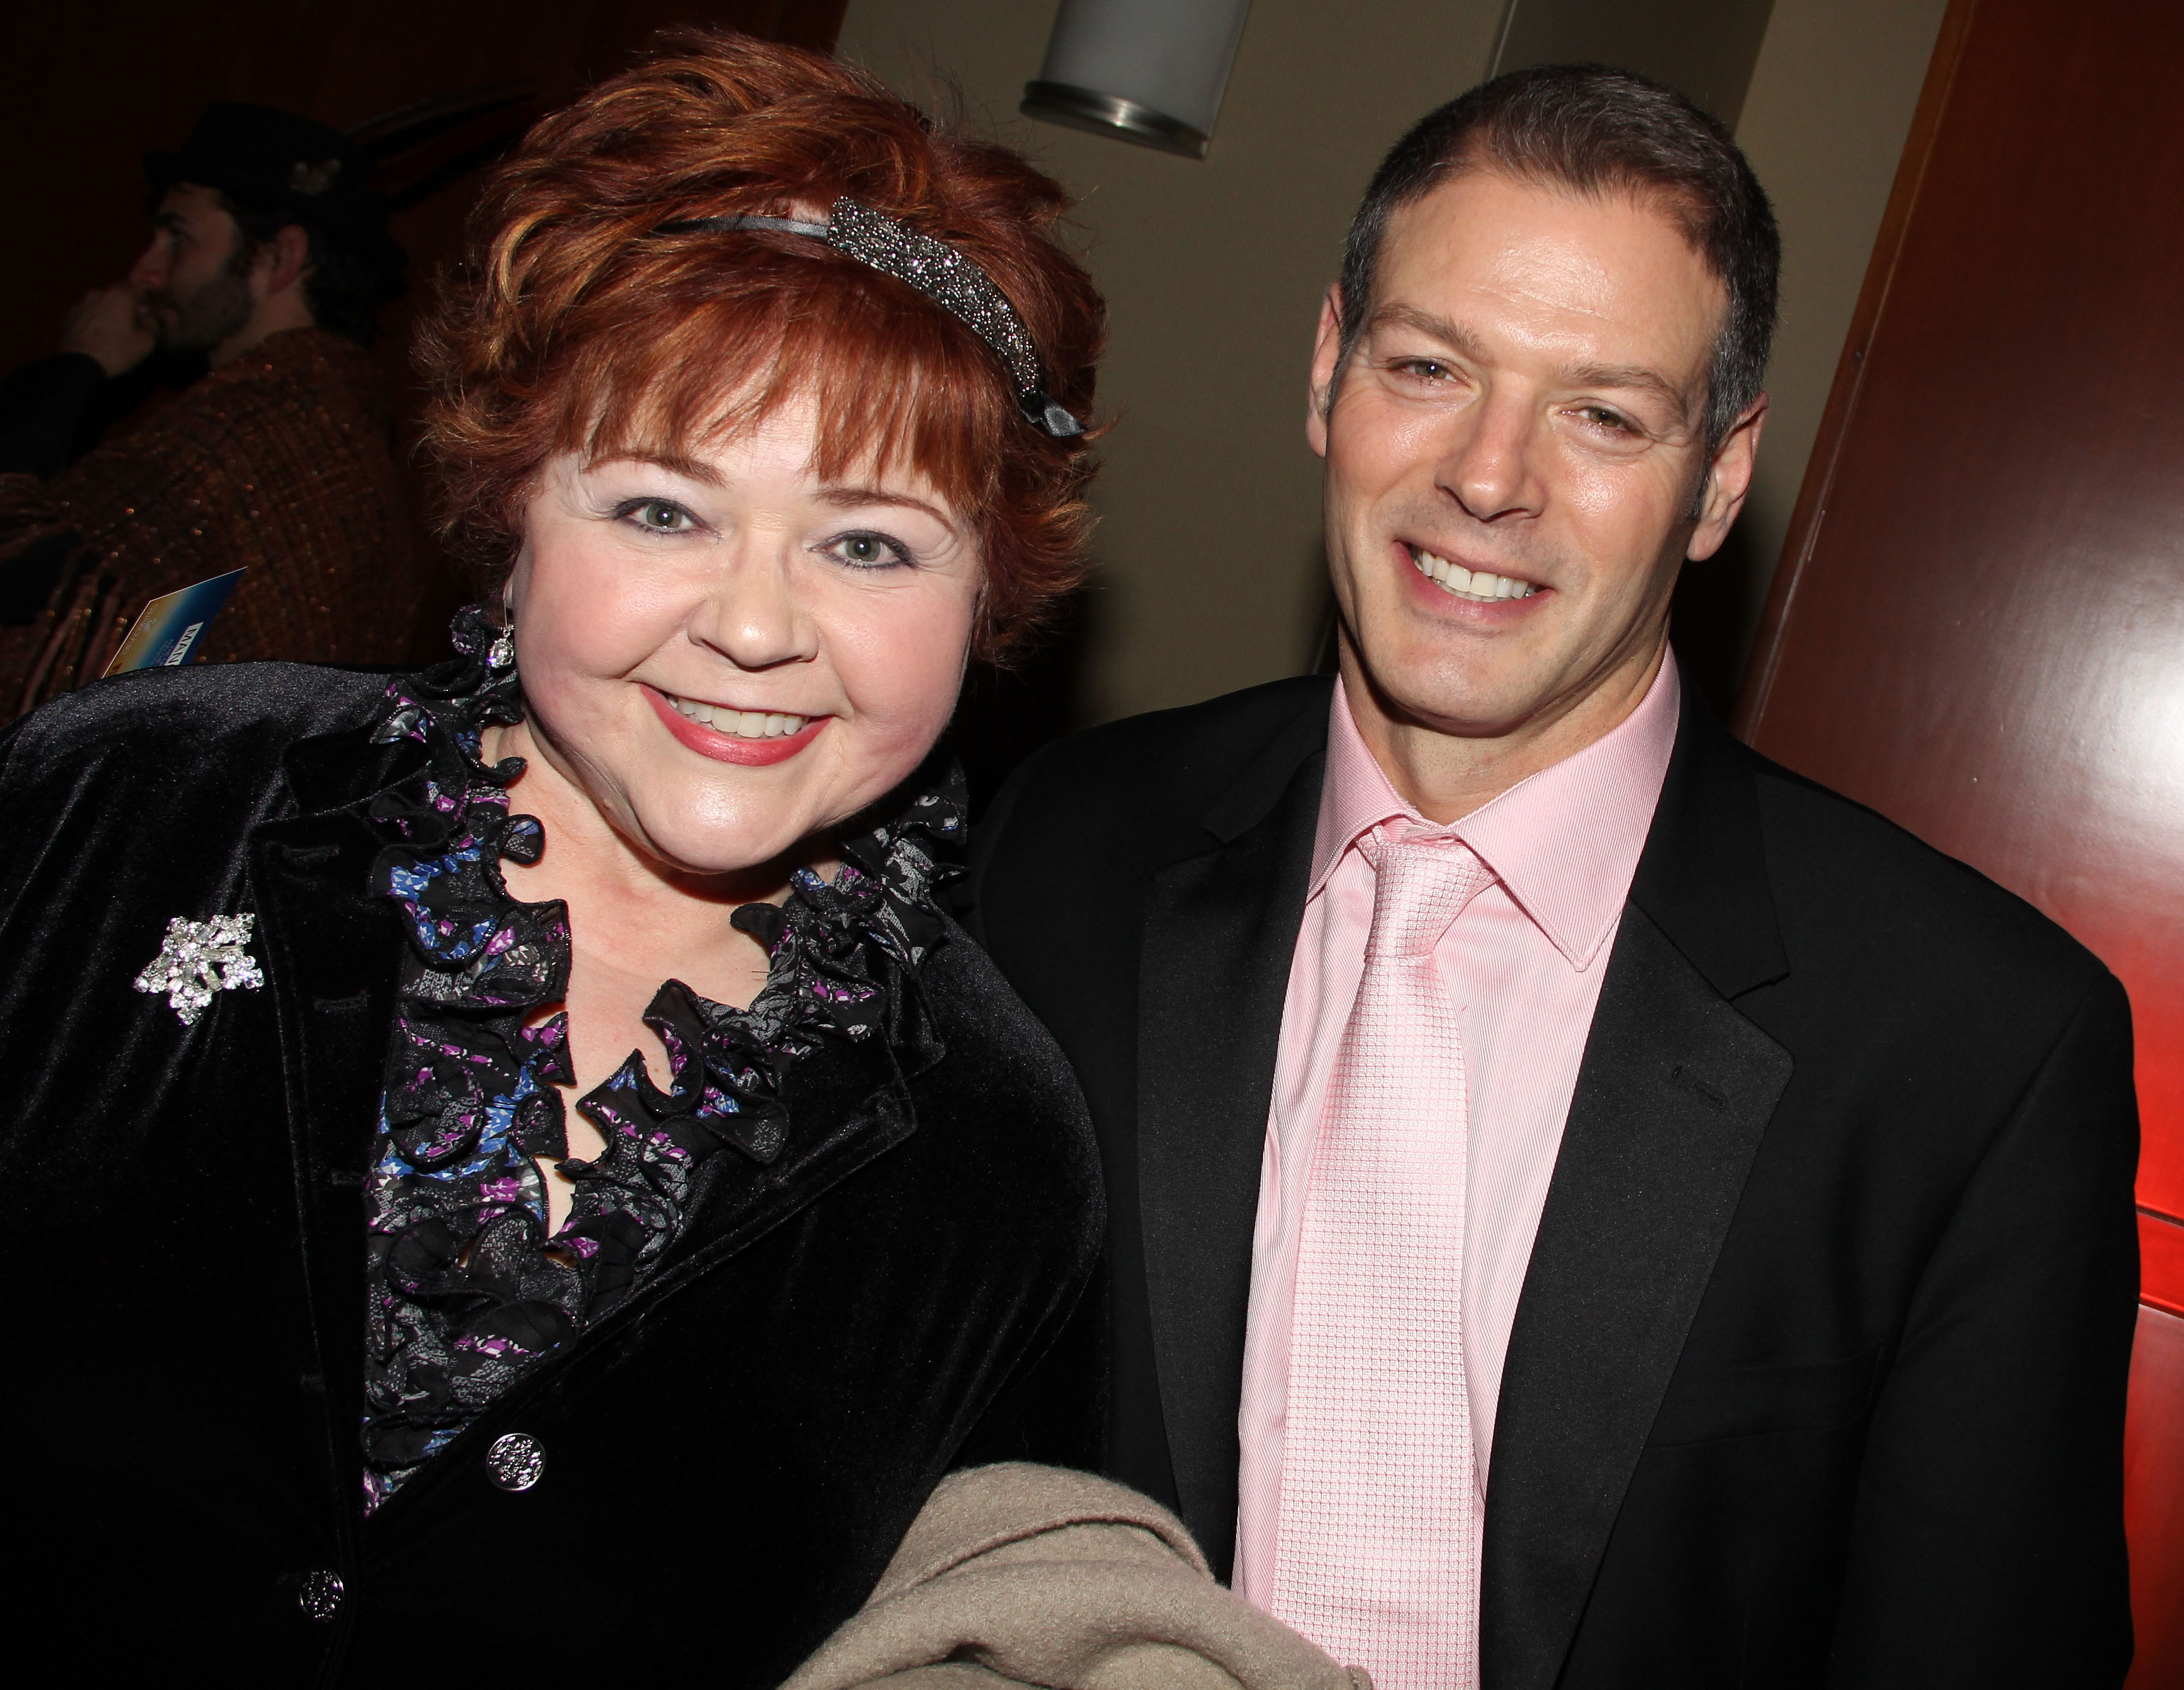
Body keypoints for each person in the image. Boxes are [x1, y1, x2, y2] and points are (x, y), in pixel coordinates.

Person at [964, 65, 2139, 1689]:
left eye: (1603, 410)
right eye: (1430, 365)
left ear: (1721, 474)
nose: (1490, 473)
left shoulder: (1974, 1046)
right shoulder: (1070, 841)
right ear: (1327, 370)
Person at [0, 34, 1106, 1686]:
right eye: (663, 507)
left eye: (868, 540)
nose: (750, 624)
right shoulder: (134, 802)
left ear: (989, 596)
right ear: (513, 507)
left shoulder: (997, 1159)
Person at [0, 102, 419, 711]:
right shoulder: (342, 432)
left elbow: (21, 568)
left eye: (179, 237)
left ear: (280, 257)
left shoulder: (250, 428)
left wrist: (76, 370)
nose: (145, 271)